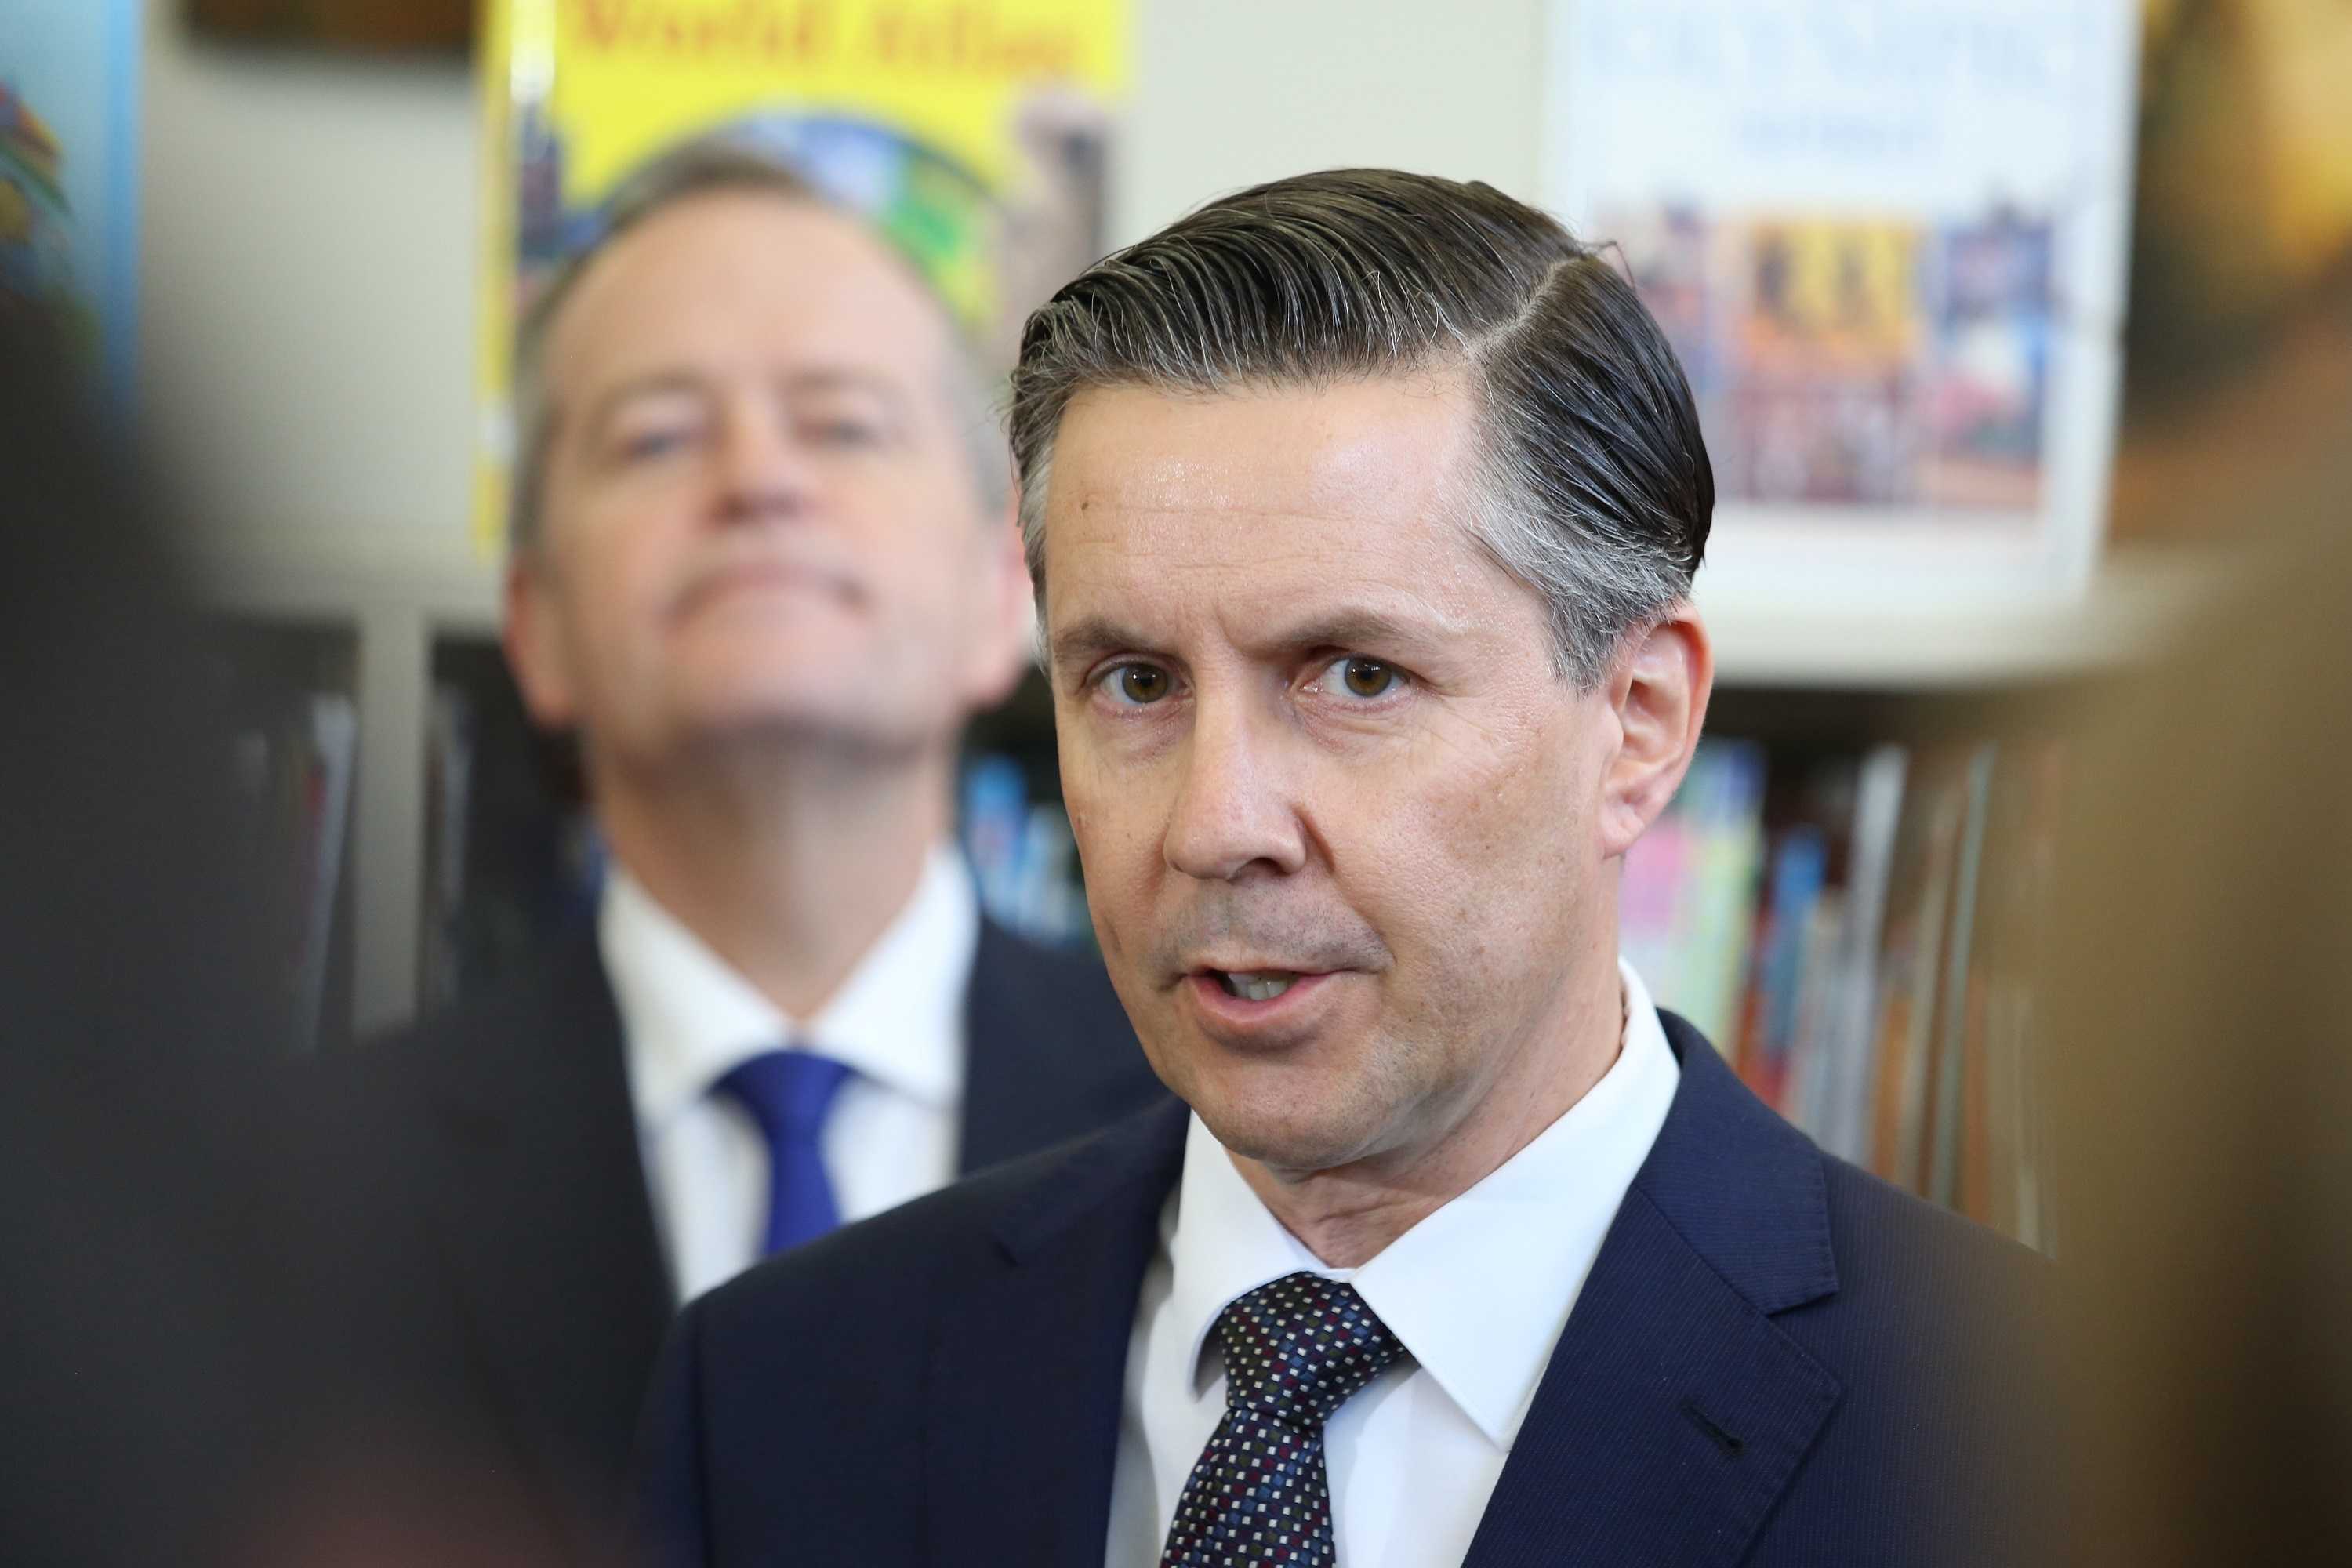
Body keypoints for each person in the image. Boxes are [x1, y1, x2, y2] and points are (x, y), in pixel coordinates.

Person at [637, 169, 2050, 1566]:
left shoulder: (2044, 1444)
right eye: (1134, 683)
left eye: (1357, 676)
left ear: (1638, 726)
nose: (1214, 822)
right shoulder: (780, 1397)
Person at [318, 140, 1162, 1550]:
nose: (758, 481)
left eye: (840, 424)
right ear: (537, 626)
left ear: (996, 593)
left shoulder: (1224, 1126)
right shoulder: (300, 1197)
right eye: (656, 436)